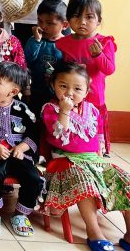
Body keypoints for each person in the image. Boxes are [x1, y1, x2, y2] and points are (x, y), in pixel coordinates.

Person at [41, 62, 130, 251]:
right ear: (53, 86)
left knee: (124, 179)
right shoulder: (50, 108)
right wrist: (64, 111)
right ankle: (94, 231)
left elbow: (98, 138)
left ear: (87, 90)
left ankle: (129, 233)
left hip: (93, 160)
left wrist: (101, 160)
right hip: (64, 162)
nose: (69, 92)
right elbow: (59, 136)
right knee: (85, 181)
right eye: (63, 86)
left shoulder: (93, 110)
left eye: (77, 88)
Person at [0, 62, 45, 237]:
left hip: (18, 155)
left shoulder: (23, 110)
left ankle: (21, 214)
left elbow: (34, 133)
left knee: (34, 178)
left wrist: (22, 147)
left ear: (12, 91)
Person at [56, 0, 116, 154]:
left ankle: (96, 159)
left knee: (94, 142)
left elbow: (109, 69)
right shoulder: (63, 43)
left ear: (98, 21)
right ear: (67, 20)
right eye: (76, 16)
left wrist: (98, 56)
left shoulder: (104, 43)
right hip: (71, 99)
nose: (82, 22)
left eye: (89, 17)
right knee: (74, 139)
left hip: (94, 99)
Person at [24, 0, 68, 115]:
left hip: (58, 96)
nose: (43, 26)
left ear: (64, 25)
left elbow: (69, 69)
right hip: (35, 92)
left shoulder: (67, 44)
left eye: (49, 23)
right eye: (40, 21)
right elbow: (27, 60)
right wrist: (36, 41)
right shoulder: (34, 40)